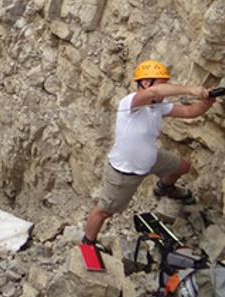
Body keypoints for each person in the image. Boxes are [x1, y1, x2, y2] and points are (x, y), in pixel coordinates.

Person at [82, 60, 215, 250]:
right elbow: (154, 93)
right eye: (162, 84)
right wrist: (191, 89)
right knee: (104, 211)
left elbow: (189, 111)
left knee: (182, 166)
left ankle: (164, 188)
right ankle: (88, 242)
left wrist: (206, 104)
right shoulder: (130, 104)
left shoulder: (158, 107)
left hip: (151, 160)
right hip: (124, 173)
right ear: (146, 83)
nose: (165, 89)